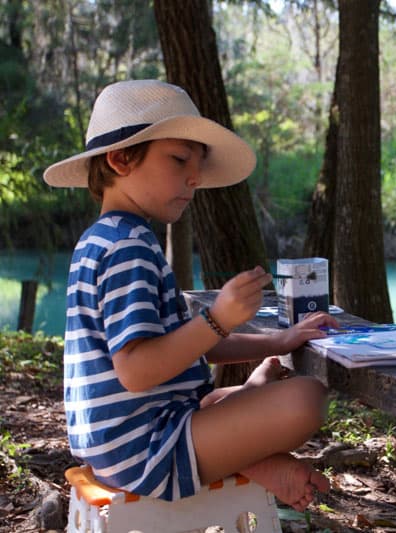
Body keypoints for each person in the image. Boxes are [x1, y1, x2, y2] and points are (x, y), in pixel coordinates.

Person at [44, 79, 337, 510]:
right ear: (121, 158)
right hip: (142, 451)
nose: (195, 178)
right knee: (306, 398)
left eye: (196, 166)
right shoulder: (128, 247)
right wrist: (218, 317)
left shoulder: (103, 239)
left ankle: (248, 451)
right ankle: (251, 461)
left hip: (122, 440)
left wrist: (278, 341)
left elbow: (180, 347)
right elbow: (137, 371)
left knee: (221, 399)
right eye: (180, 159)